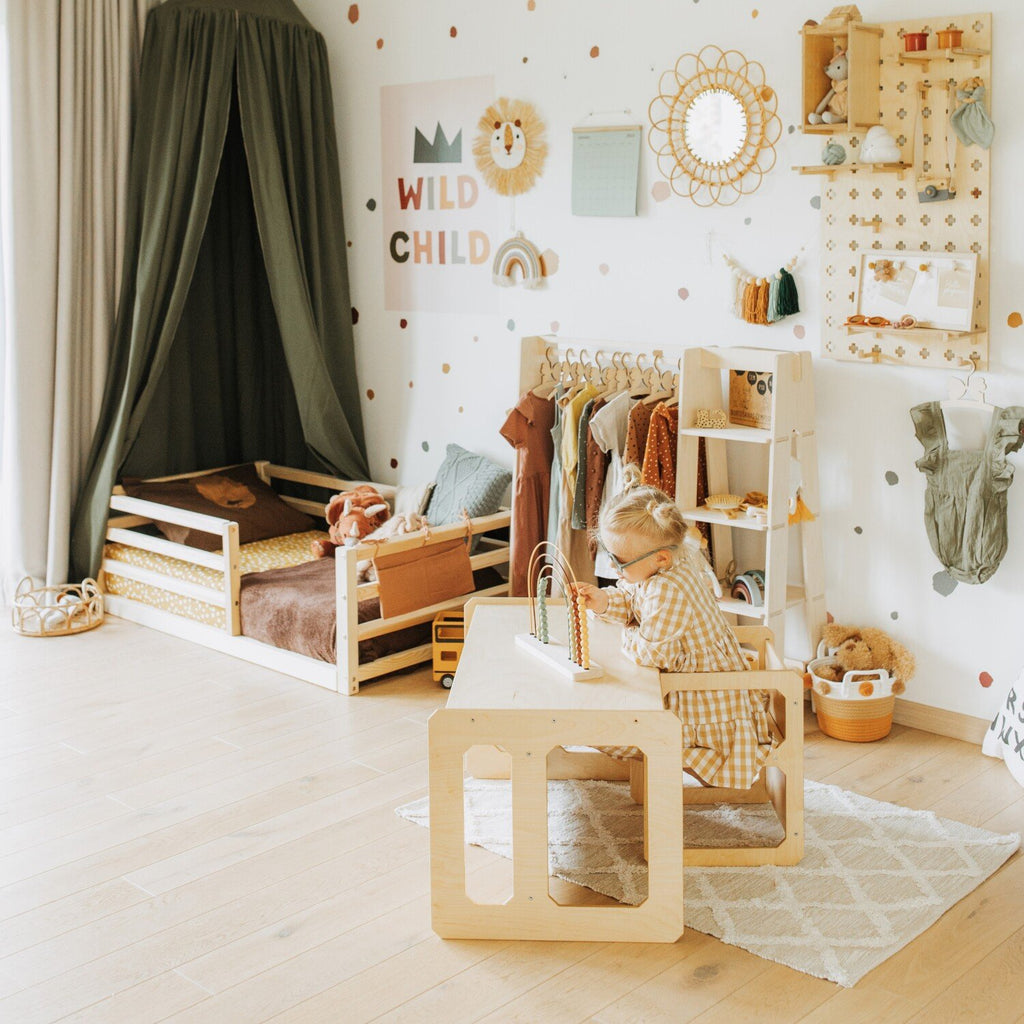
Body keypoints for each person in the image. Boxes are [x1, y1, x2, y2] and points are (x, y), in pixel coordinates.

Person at [572, 466, 775, 789]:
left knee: (613, 715)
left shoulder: (668, 589)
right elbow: (635, 600)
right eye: (610, 555)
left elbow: (656, 654)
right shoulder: (669, 565)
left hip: (703, 701)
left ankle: (676, 767)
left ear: (661, 559)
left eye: (620, 561)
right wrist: (604, 602)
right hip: (692, 684)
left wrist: (626, 635)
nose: (613, 566)